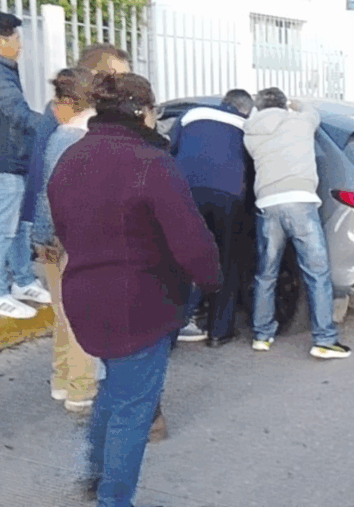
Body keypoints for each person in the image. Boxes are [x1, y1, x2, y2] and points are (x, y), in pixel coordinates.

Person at [47, 72, 222, 507]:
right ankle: (113, 498)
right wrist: (213, 281)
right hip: (139, 303)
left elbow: (63, 228)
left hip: (85, 296)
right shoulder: (151, 163)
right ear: (144, 112)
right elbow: (191, 239)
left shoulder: (72, 157)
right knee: (133, 409)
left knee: (115, 388)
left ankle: (94, 472)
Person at [243, 87, 351, 359]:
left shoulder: (250, 131)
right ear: (282, 105)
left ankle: (262, 335)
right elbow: (311, 112)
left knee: (266, 273)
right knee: (317, 273)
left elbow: (256, 118)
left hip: (267, 204)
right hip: (300, 202)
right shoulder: (299, 122)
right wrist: (295, 103)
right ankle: (325, 340)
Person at [19, 44, 132, 289]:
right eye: (117, 77)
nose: (124, 85)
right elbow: (46, 179)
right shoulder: (64, 125)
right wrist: (42, 235)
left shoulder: (101, 121)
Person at [0, 11, 52, 319]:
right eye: (17, 38)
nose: (21, 44)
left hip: (3, 160)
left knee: (16, 227)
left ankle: (23, 281)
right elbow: (18, 115)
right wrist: (57, 125)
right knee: (2, 230)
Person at [31, 68, 98, 414]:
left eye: (57, 101)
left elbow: (48, 194)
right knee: (81, 314)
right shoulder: (99, 135)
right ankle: (80, 388)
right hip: (91, 237)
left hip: (61, 235)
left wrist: (41, 236)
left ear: (69, 102)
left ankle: (68, 383)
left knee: (64, 313)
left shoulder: (64, 136)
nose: (54, 108)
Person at [174, 89, 255, 346]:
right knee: (226, 262)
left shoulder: (192, 114)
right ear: (246, 110)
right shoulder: (245, 126)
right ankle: (219, 332)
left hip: (185, 193)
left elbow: (170, 147)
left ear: (225, 102)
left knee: (185, 260)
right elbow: (252, 167)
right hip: (227, 197)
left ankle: (173, 330)